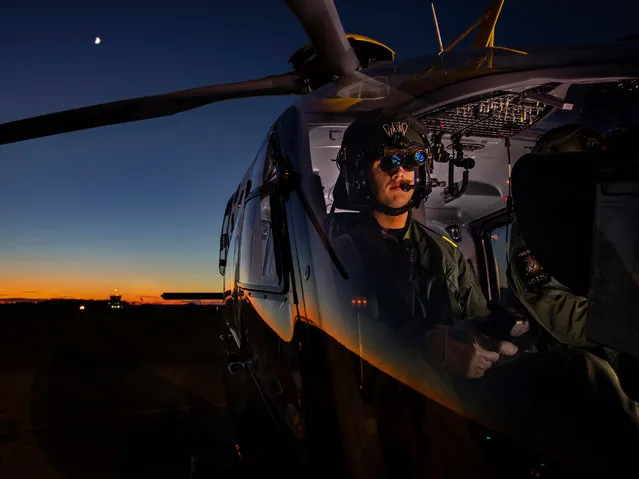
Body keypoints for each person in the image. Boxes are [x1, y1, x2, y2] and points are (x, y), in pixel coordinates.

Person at [329, 112, 639, 478]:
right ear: (357, 173)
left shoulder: (442, 250)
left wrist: (497, 331)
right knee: (426, 399)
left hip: (471, 384)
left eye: (411, 160)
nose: (401, 171)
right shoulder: (336, 249)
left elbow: (473, 314)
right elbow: (339, 340)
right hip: (398, 391)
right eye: (388, 161)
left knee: (585, 371)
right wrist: (431, 347)